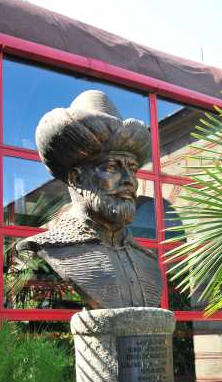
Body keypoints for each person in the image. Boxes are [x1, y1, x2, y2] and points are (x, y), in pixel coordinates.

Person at [17, 90, 162, 310]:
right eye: (111, 168)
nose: (129, 181)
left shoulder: (148, 261)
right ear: (76, 178)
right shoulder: (53, 248)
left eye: (132, 169)